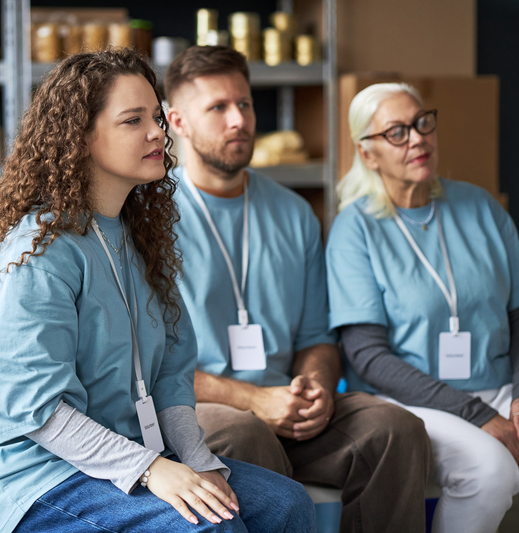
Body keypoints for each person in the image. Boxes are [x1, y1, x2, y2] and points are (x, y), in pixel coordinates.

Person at [0, 48, 315, 533]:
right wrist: (153, 470)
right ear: (79, 138)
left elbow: (168, 377)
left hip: (129, 454)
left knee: (286, 505)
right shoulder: (36, 255)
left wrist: (196, 458)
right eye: (132, 121)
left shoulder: (140, 236)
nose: (157, 133)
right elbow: (34, 412)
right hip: (31, 477)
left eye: (157, 118)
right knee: (210, 528)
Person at [164, 45, 431, 533]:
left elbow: (316, 337)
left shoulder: (293, 212)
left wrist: (318, 391)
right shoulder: (152, 218)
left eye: (244, 104)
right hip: (198, 412)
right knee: (245, 433)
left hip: (288, 405)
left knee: (395, 429)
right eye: (218, 108)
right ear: (178, 121)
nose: (238, 120)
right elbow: (151, 362)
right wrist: (253, 400)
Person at [326, 82, 519, 533]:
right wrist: (476, 414)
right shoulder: (354, 229)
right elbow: (367, 355)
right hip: (410, 402)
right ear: (368, 154)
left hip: (500, 388)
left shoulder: (481, 206)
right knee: (490, 470)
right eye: (397, 132)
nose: (418, 138)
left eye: (423, 123)